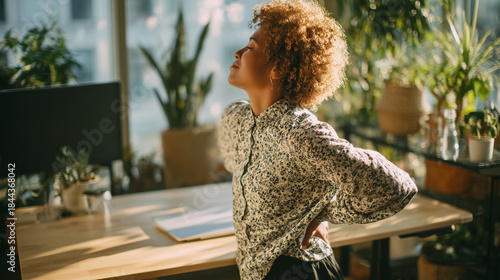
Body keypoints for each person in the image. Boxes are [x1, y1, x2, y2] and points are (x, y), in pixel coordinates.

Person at [218, 0, 418, 279]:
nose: (238, 52)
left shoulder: (301, 134)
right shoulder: (235, 120)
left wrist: (324, 212)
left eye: (251, 47)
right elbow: (234, 161)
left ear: (279, 67)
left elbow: (397, 188)